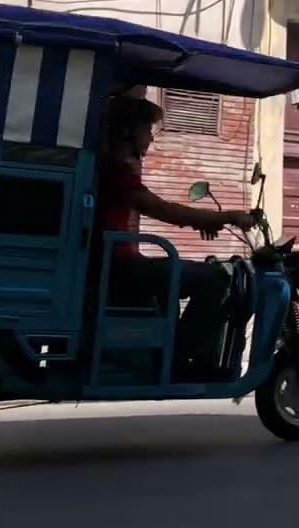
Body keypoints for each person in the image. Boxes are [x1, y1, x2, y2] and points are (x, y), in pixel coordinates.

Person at [95, 93, 257, 376]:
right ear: (127, 132)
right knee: (215, 277)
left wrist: (205, 220)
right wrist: (227, 216)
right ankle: (178, 358)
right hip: (120, 269)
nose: (151, 138)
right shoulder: (116, 172)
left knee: (190, 273)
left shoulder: (114, 170)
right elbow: (166, 211)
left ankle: (173, 351)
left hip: (120, 265)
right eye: (147, 130)